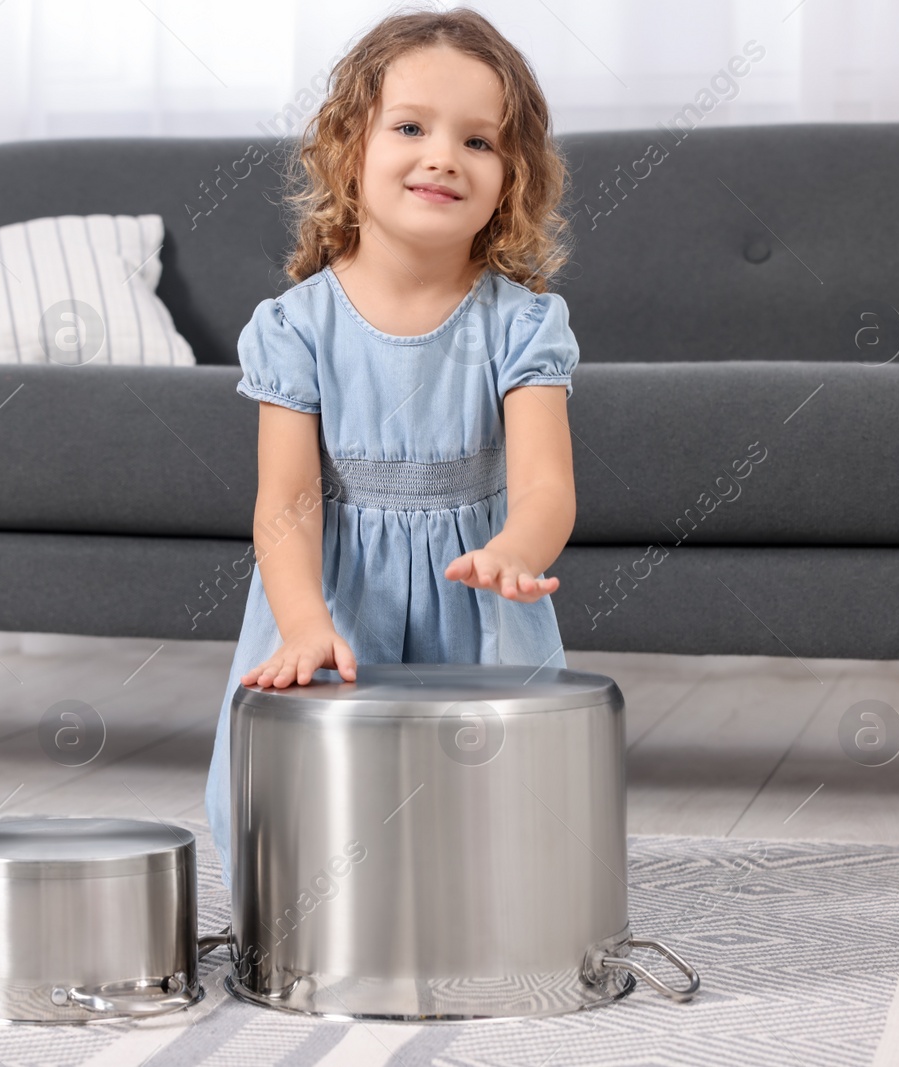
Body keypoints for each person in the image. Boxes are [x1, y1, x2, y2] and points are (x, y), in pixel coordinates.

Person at [204, 6, 580, 891]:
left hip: (476, 609)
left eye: (478, 141)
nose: (443, 155)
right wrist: (303, 624)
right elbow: (285, 503)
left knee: (493, 819)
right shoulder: (296, 327)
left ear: (511, 179)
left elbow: (546, 488)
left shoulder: (524, 326)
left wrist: (514, 556)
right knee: (315, 809)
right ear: (348, 153)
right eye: (410, 127)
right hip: (331, 600)